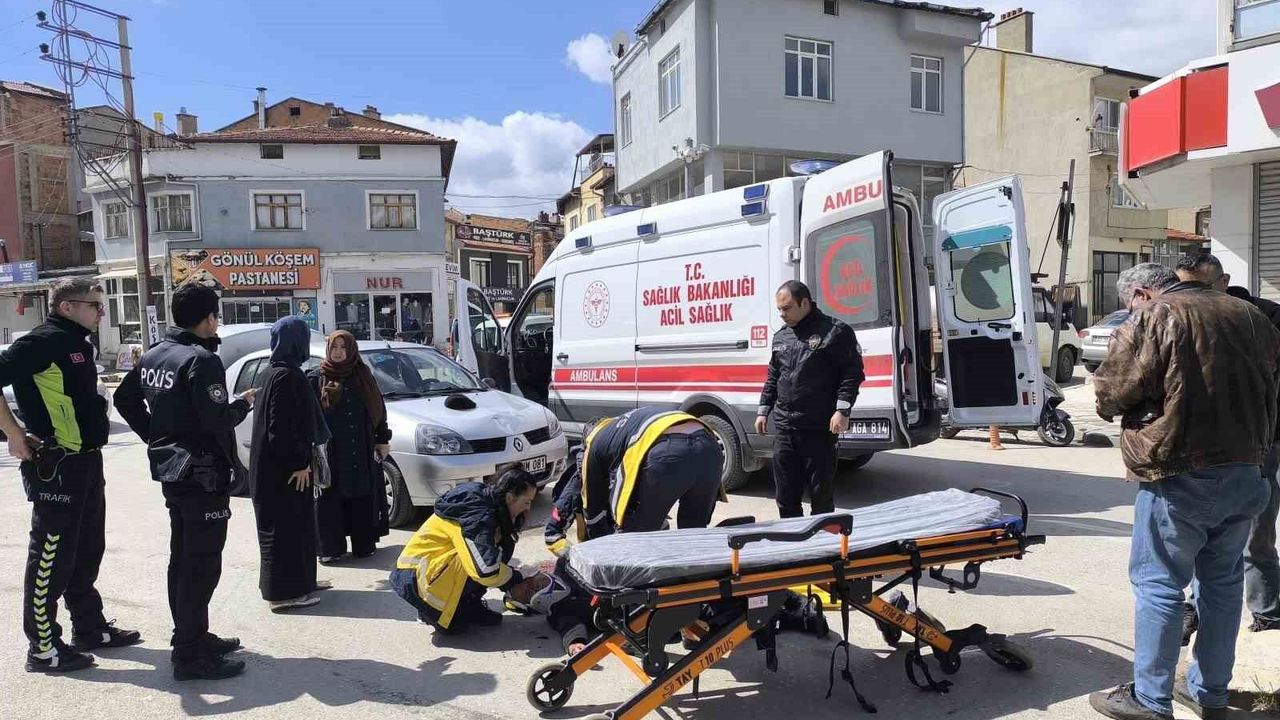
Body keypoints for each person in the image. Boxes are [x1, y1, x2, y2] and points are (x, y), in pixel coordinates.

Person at [1090, 263, 1279, 720]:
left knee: (1159, 584)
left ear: (1140, 292)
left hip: (1179, 471)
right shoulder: (1250, 315)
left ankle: (1150, 699)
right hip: (1246, 468)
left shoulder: (1154, 315)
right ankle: (1210, 694)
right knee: (1222, 584)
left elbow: (1111, 392)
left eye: (1129, 304)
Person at [114, 283, 255, 680]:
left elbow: (124, 399)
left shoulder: (156, 353)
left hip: (174, 472)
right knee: (201, 565)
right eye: (216, 316)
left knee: (183, 560)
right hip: (201, 474)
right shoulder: (201, 360)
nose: (217, 323)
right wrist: (242, 405)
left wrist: (157, 438)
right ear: (209, 319)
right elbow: (216, 420)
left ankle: (192, 636)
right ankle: (190, 656)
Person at [0, 277, 140, 673]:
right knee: (51, 558)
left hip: (87, 461)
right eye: (95, 305)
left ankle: (89, 627)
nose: (101, 313)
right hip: (56, 466)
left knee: (86, 550)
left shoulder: (78, 342)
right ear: (67, 307)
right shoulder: (43, 341)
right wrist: (13, 434)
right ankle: (43, 648)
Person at [1175, 253, 1280, 640]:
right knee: (1200, 536)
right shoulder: (1181, 316)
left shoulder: (1265, 317)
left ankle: (1266, 609)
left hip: (1260, 442)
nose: (1191, 295)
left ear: (1225, 281)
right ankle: (1195, 608)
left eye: (1200, 286)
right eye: (1185, 287)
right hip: (1202, 443)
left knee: (1256, 531)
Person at [755, 280, 865, 518]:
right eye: (779, 309)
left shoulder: (835, 332)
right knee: (786, 498)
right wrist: (763, 410)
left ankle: (823, 540)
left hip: (818, 429)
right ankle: (793, 539)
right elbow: (774, 376)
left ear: (804, 303)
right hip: (785, 429)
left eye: (787, 308)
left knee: (821, 498)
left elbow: (852, 374)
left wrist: (842, 410)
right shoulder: (781, 337)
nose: (782, 314)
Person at [544, 408, 724, 551]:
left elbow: (593, 510)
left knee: (635, 541)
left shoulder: (595, 444)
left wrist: (599, 555)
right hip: (709, 446)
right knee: (693, 534)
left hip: (667, 451)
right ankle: (695, 581)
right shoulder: (622, 430)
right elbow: (554, 533)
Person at [390, 470, 537, 635]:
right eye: (526, 502)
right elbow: (485, 570)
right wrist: (516, 578)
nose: (528, 508)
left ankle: (468, 602)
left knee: (501, 545)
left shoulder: (492, 504)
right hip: (417, 579)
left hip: (429, 571)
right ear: (510, 497)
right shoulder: (477, 515)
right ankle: (430, 610)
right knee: (455, 626)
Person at [250, 316, 328, 612]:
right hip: (282, 472)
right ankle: (282, 594)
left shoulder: (275, 372)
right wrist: (298, 463)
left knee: (299, 527)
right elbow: (280, 428)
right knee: (282, 531)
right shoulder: (285, 376)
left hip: (276, 468)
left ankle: (303, 582)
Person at [308, 331, 392, 563]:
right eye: (334, 347)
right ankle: (331, 548)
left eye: (343, 347)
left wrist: (382, 439)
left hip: (360, 447)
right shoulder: (317, 378)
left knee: (361, 495)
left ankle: (363, 544)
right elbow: (309, 416)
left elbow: (378, 409)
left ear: (351, 350)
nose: (338, 352)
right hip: (330, 451)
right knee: (330, 499)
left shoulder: (363, 376)